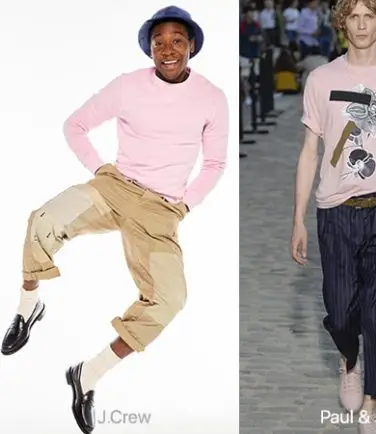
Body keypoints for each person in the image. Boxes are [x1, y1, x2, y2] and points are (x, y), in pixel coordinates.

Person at [2, 6, 227, 433]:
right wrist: (101, 170)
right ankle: (28, 308)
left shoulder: (212, 97)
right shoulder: (127, 86)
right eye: (159, 42)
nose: (168, 49)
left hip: (160, 209)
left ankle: (87, 375)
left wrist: (184, 205)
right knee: (42, 221)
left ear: (192, 46)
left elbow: (214, 163)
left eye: (177, 40)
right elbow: (75, 125)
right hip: (114, 188)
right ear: (149, 49)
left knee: (169, 300)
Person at [290, 0, 376, 431]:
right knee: (341, 309)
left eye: (370, 17)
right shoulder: (321, 79)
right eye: (354, 17)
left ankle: (370, 402)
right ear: (342, 23)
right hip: (336, 212)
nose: (362, 25)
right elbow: (309, 152)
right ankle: (349, 359)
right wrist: (298, 218)